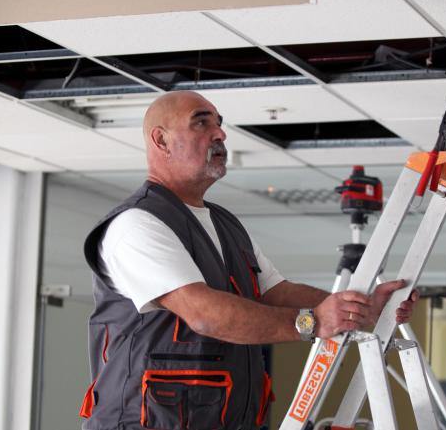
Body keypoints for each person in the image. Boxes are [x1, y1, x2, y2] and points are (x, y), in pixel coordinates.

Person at [80, 90, 418, 430]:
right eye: (201, 122)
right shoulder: (136, 224)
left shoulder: (225, 223)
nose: (220, 133)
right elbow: (204, 315)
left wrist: (355, 308)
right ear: (161, 140)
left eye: (219, 124)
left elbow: (276, 292)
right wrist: (313, 322)